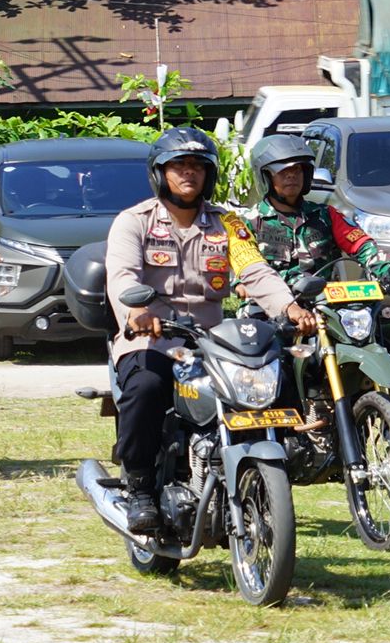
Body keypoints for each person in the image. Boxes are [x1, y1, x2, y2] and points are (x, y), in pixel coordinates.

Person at [105, 126, 317, 533]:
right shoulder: (134, 222)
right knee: (146, 388)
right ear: (159, 173)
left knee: (276, 373)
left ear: (210, 174)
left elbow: (256, 271)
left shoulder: (227, 224)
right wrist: (137, 313)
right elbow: (121, 276)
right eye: (178, 166)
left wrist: (289, 307)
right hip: (152, 336)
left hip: (212, 341)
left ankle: (275, 461)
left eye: (198, 166)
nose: (189, 173)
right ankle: (140, 487)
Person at [241, 135, 390, 290]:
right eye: (283, 171)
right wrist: (242, 285)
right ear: (266, 177)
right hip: (269, 307)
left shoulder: (326, 216)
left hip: (323, 302)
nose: (291, 176)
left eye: (298, 170)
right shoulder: (249, 223)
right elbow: (242, 268)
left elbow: (363, 247)